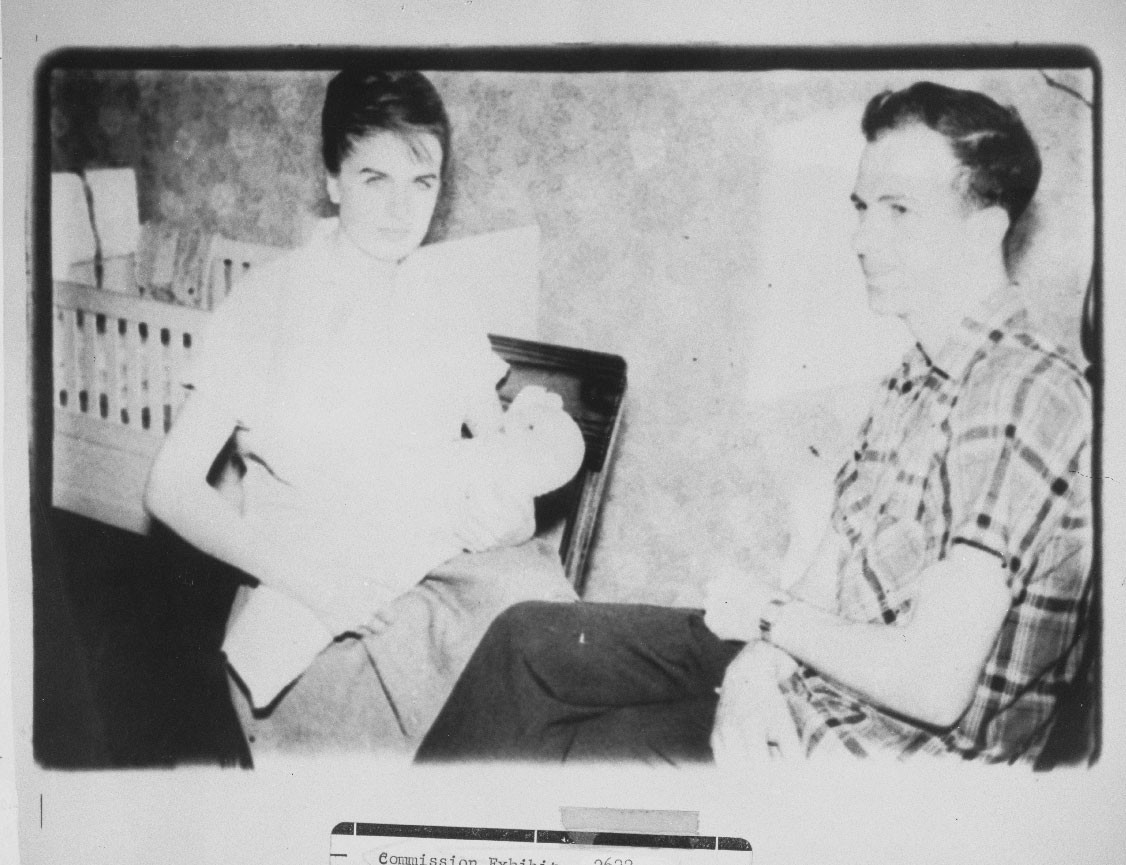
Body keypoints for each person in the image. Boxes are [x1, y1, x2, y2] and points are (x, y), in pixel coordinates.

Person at [415, 82, 1094, 766]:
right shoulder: (914, 375)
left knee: (570, 752)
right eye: (862, 208)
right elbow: (832, 564)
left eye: (899, 210)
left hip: (871, 760)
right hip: (819, 677)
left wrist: (769, 617)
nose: (861, 239)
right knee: (528, 640)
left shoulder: (1025, 390)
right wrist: (758, 665)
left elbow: (933, 683)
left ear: (986, 227)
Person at [144, 69, 581, 759]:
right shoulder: (267, 303)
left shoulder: (445, 300)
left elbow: (499, 463)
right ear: (333, 180)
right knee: (481, 738)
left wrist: (513, 507)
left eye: (423, 183)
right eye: (375, 178)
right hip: (314, 598)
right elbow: (168, 488)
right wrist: (317, 588)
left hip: (436, 573)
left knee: (551, 662)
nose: (401, 209)